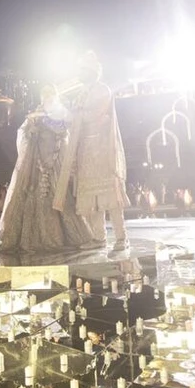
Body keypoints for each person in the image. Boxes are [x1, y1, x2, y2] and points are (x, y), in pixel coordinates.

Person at [0, 84, 95, 254]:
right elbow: (24, 132)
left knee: (60, 195)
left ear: (55, 96)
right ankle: (32, 239)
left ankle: (68, 236)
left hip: (56, 159)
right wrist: (32, 130)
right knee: (33, 194)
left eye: (50, 94)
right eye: (45, 95)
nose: (47, 98)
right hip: (37, 161)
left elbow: (69, 130)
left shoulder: (62, 112)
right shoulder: (36, 112)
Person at [54, 51, 130, 250]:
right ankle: (99, 238)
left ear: (92, 72)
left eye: (83, 70)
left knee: (110, 197)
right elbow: (76, 117)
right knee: (91, 199)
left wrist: (75, 114)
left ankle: (122, 237)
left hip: (102, 150)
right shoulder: (82, 93)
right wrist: (65, 114)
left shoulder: (102, 90)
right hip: (85, 152)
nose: (80, 74)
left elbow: (95, 115)